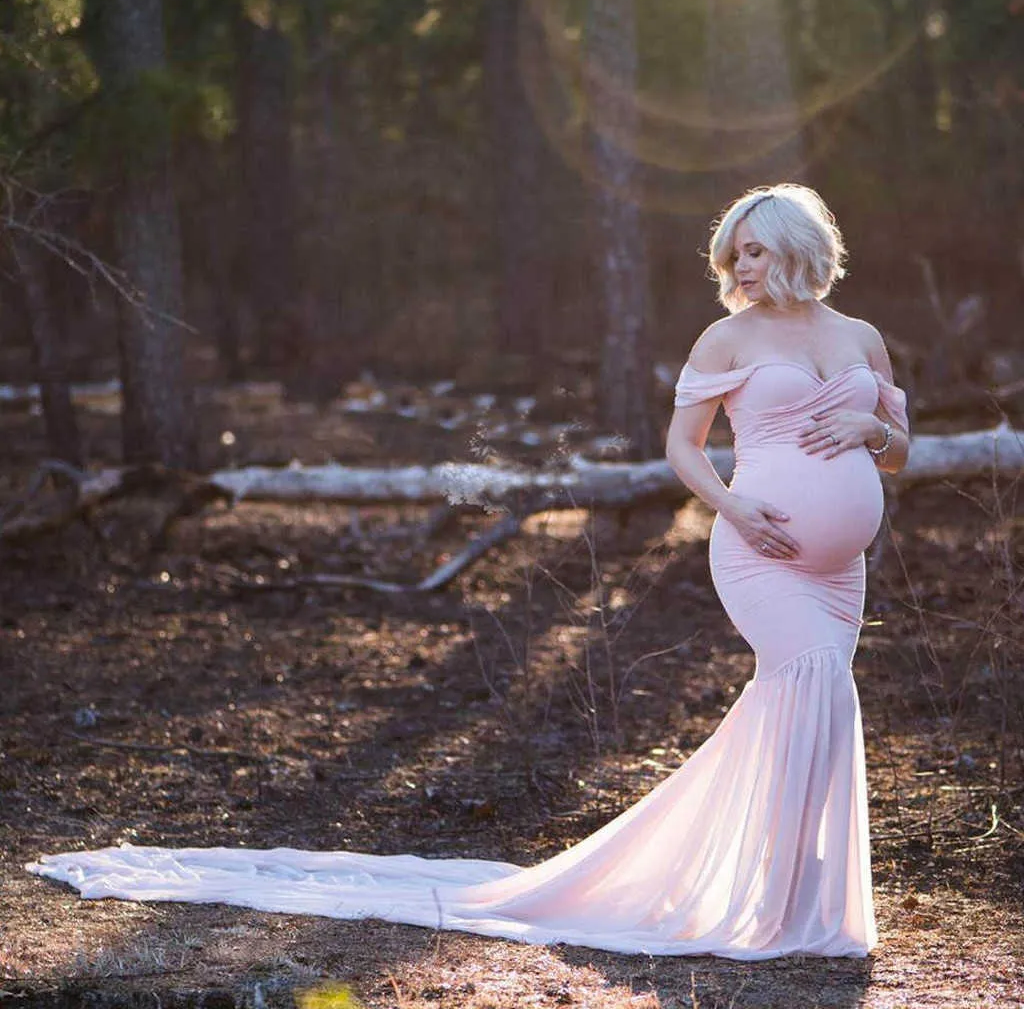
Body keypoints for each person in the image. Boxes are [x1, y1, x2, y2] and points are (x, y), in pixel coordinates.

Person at [26, 183, 909, 961]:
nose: (739, 264)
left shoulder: (860, 334)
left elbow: (902, 451)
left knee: (818, 700)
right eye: (733, 252)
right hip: (761, 554)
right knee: (810, 679)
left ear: (797, 245)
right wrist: (735, 505)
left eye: (754, 249)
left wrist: (872, 433)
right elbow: (681, 448)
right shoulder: (724, 338)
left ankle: (799, 892)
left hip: (841, 572)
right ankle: (771, 898)